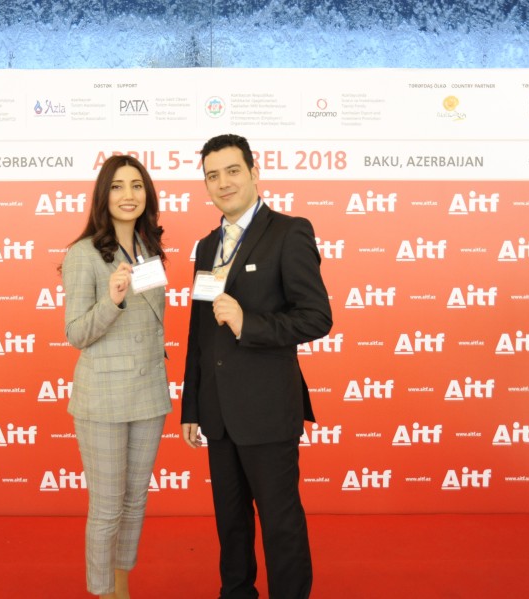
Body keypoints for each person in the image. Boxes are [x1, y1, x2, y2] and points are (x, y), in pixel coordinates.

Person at [181, 134, 333, 599]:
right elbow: (199, 334)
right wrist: (192, 406)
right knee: (231, 524)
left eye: (232, 171)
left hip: (268, 410)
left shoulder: (289, 231)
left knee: (280, 524)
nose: (223, 183)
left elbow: (317, 318)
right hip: (219, 414)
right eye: (212, 175)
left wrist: (250, 323)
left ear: (254, 172)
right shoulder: (207, 246)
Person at [62, 155, 172, 599]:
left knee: (135, 501)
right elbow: (76, 333)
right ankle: (101, 591)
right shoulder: (82, 254)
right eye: (118, 186)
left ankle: (121, 587)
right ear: (103, 196)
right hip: (104, 397)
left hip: (149, 393)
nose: (129, 195)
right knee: (107, 507)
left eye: (137, 186)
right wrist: (111, 300)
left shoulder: (149, 250)